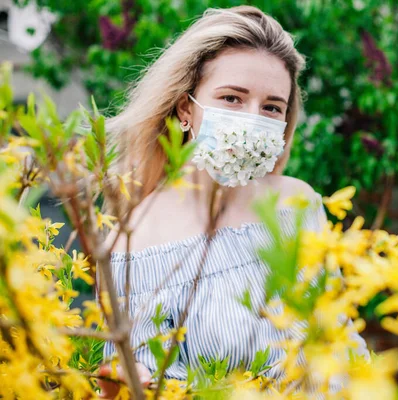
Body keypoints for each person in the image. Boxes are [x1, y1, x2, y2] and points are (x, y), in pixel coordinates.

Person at [96, 5, 367, 398]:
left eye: (272, 106)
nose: (253, 117)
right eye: (232, 98)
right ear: (186, 107)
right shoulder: (136, 241)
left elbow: (341, 336)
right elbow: (141, 385)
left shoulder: (298, 202)